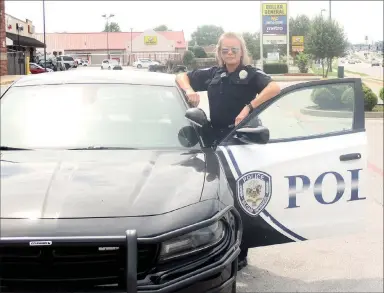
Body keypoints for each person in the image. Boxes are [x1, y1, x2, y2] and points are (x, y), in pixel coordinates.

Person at [176, 32, 281, 271]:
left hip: (243, 141)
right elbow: (181, 76)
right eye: (225, 50)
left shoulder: (252, 75)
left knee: (241, 197)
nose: (230, 54)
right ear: (220, 53)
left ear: (242, 51)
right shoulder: (214, 74)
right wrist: (189, 90)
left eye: (234, 50)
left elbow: (275, 87)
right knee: (219, 195)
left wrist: (249, 107)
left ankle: (241, 251)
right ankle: (218, 244)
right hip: (217, 140)